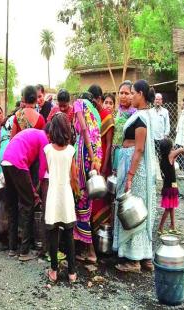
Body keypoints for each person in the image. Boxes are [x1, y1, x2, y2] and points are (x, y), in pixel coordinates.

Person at [113, 79, 157, 273]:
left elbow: (139, 149)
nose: (129, 96)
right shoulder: (142, 115)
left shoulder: (142, 119)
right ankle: (146, 257)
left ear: (140, 94)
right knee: (138, 209)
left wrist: (130, 174)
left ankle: (134, 260)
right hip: (132, 165)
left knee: (133, 209)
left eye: (132, 93)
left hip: (136, 170)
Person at [2, 127, 49, 261]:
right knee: (28, 205)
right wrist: (37, 190)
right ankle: (24, 251)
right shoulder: (44, 137)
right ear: (50, 134)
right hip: (18, 163)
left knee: (12, 206)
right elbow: (42, 167)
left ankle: (12, 248)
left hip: (6, 161)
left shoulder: (33, 132)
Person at [44, 113, 77, 283]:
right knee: (69, 234)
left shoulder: (47, 149)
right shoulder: (71, 150)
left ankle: (54, 271)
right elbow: (74, 176)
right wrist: (77, 190)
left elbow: (47, 171)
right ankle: (72, 273)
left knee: (53, 235)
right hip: (66, 194)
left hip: (53, 194)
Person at [72, 97, 102, 264]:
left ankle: (90, 252)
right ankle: (85, 249)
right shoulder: (95, 115)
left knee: (82, 205)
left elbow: (83, 128)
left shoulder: (79, 104)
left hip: (84, 162)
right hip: (91, 162)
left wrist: (90, 155)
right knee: (85, 207)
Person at [88, 84, 115, 233]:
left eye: (94, 100)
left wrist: (104, 168)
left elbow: (109, 143)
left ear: (99, 99)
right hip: (93, 160)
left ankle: (102, 231)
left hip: (103, 161)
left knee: (102, 197)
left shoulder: (107, 116)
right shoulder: (91, 114)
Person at [158, 139, 184, 235]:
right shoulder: (170, 155)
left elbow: (175, 157)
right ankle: (160, 228)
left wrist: (175, 151)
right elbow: (181, 150)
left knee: (171, 207)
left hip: (169, 186)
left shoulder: (164, 158)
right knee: (168, 208)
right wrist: (182, 147)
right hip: (170, 188)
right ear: (169, 148)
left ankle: (173, 226)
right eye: (172, 146)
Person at [112, 81, 136, 173]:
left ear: (132, 95)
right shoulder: (119, 111)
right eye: (121, 93)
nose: (123, 96)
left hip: (128, 153)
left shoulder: (135, 113)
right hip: (115, 151)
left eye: (126, 93)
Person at [149, 93, 170, 159]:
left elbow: (167, 124)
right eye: (156, 99)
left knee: (162, 157)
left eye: (159, 99)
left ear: (161, 101)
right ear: (154, 100)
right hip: (152, 138)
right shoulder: (149, 111)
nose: (157, 101)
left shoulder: (165, 111)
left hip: (161, 138)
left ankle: (161, 169)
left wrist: (166, 135)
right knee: (152, 157)